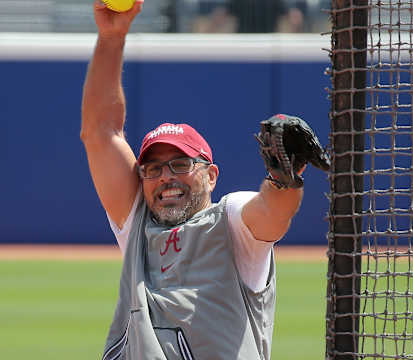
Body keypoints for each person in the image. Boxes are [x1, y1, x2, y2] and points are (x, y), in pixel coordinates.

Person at [80, 2, 326, 359]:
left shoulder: (229, 222)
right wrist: (111, 37)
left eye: (180, 164)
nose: (165, 177)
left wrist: (282, 179)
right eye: (153, 168)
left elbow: (272, 214)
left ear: (211, 176)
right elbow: (101, 132)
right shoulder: (136, 227)